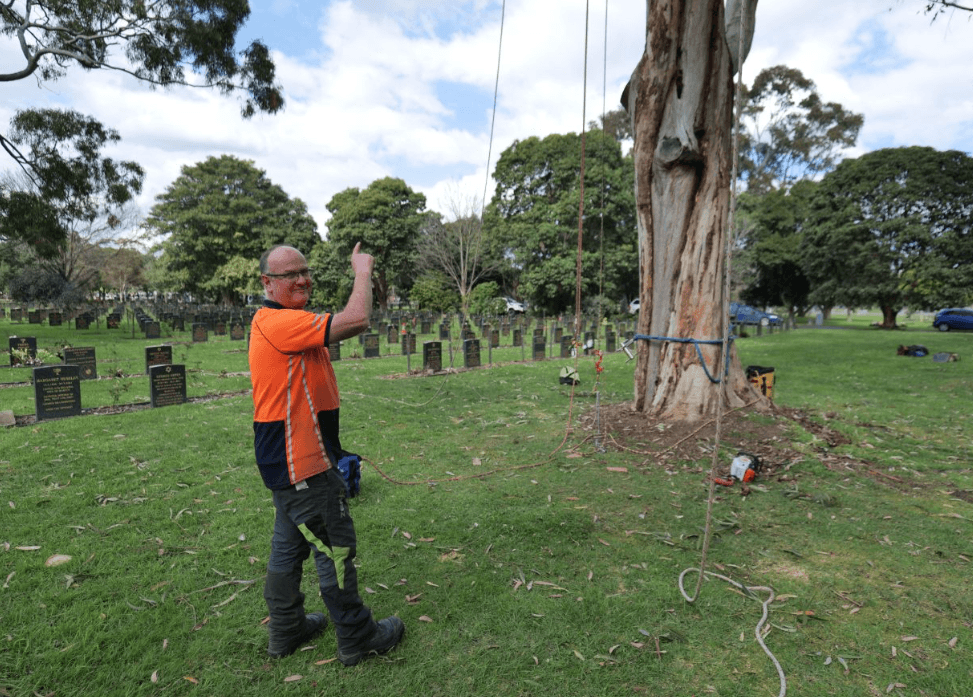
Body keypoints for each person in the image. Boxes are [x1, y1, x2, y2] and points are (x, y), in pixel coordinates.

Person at [249, 243, 405, 664]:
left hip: (285, 460)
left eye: (305, 271)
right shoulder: (278, 322)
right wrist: (363, 271)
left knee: (289, 544)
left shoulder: (286, 322)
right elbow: (357, 319)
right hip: (302, 461)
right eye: (289, 275)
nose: (302, 280)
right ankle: (357, 635)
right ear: (267, 283)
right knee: (334, 547)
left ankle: (286, 628)